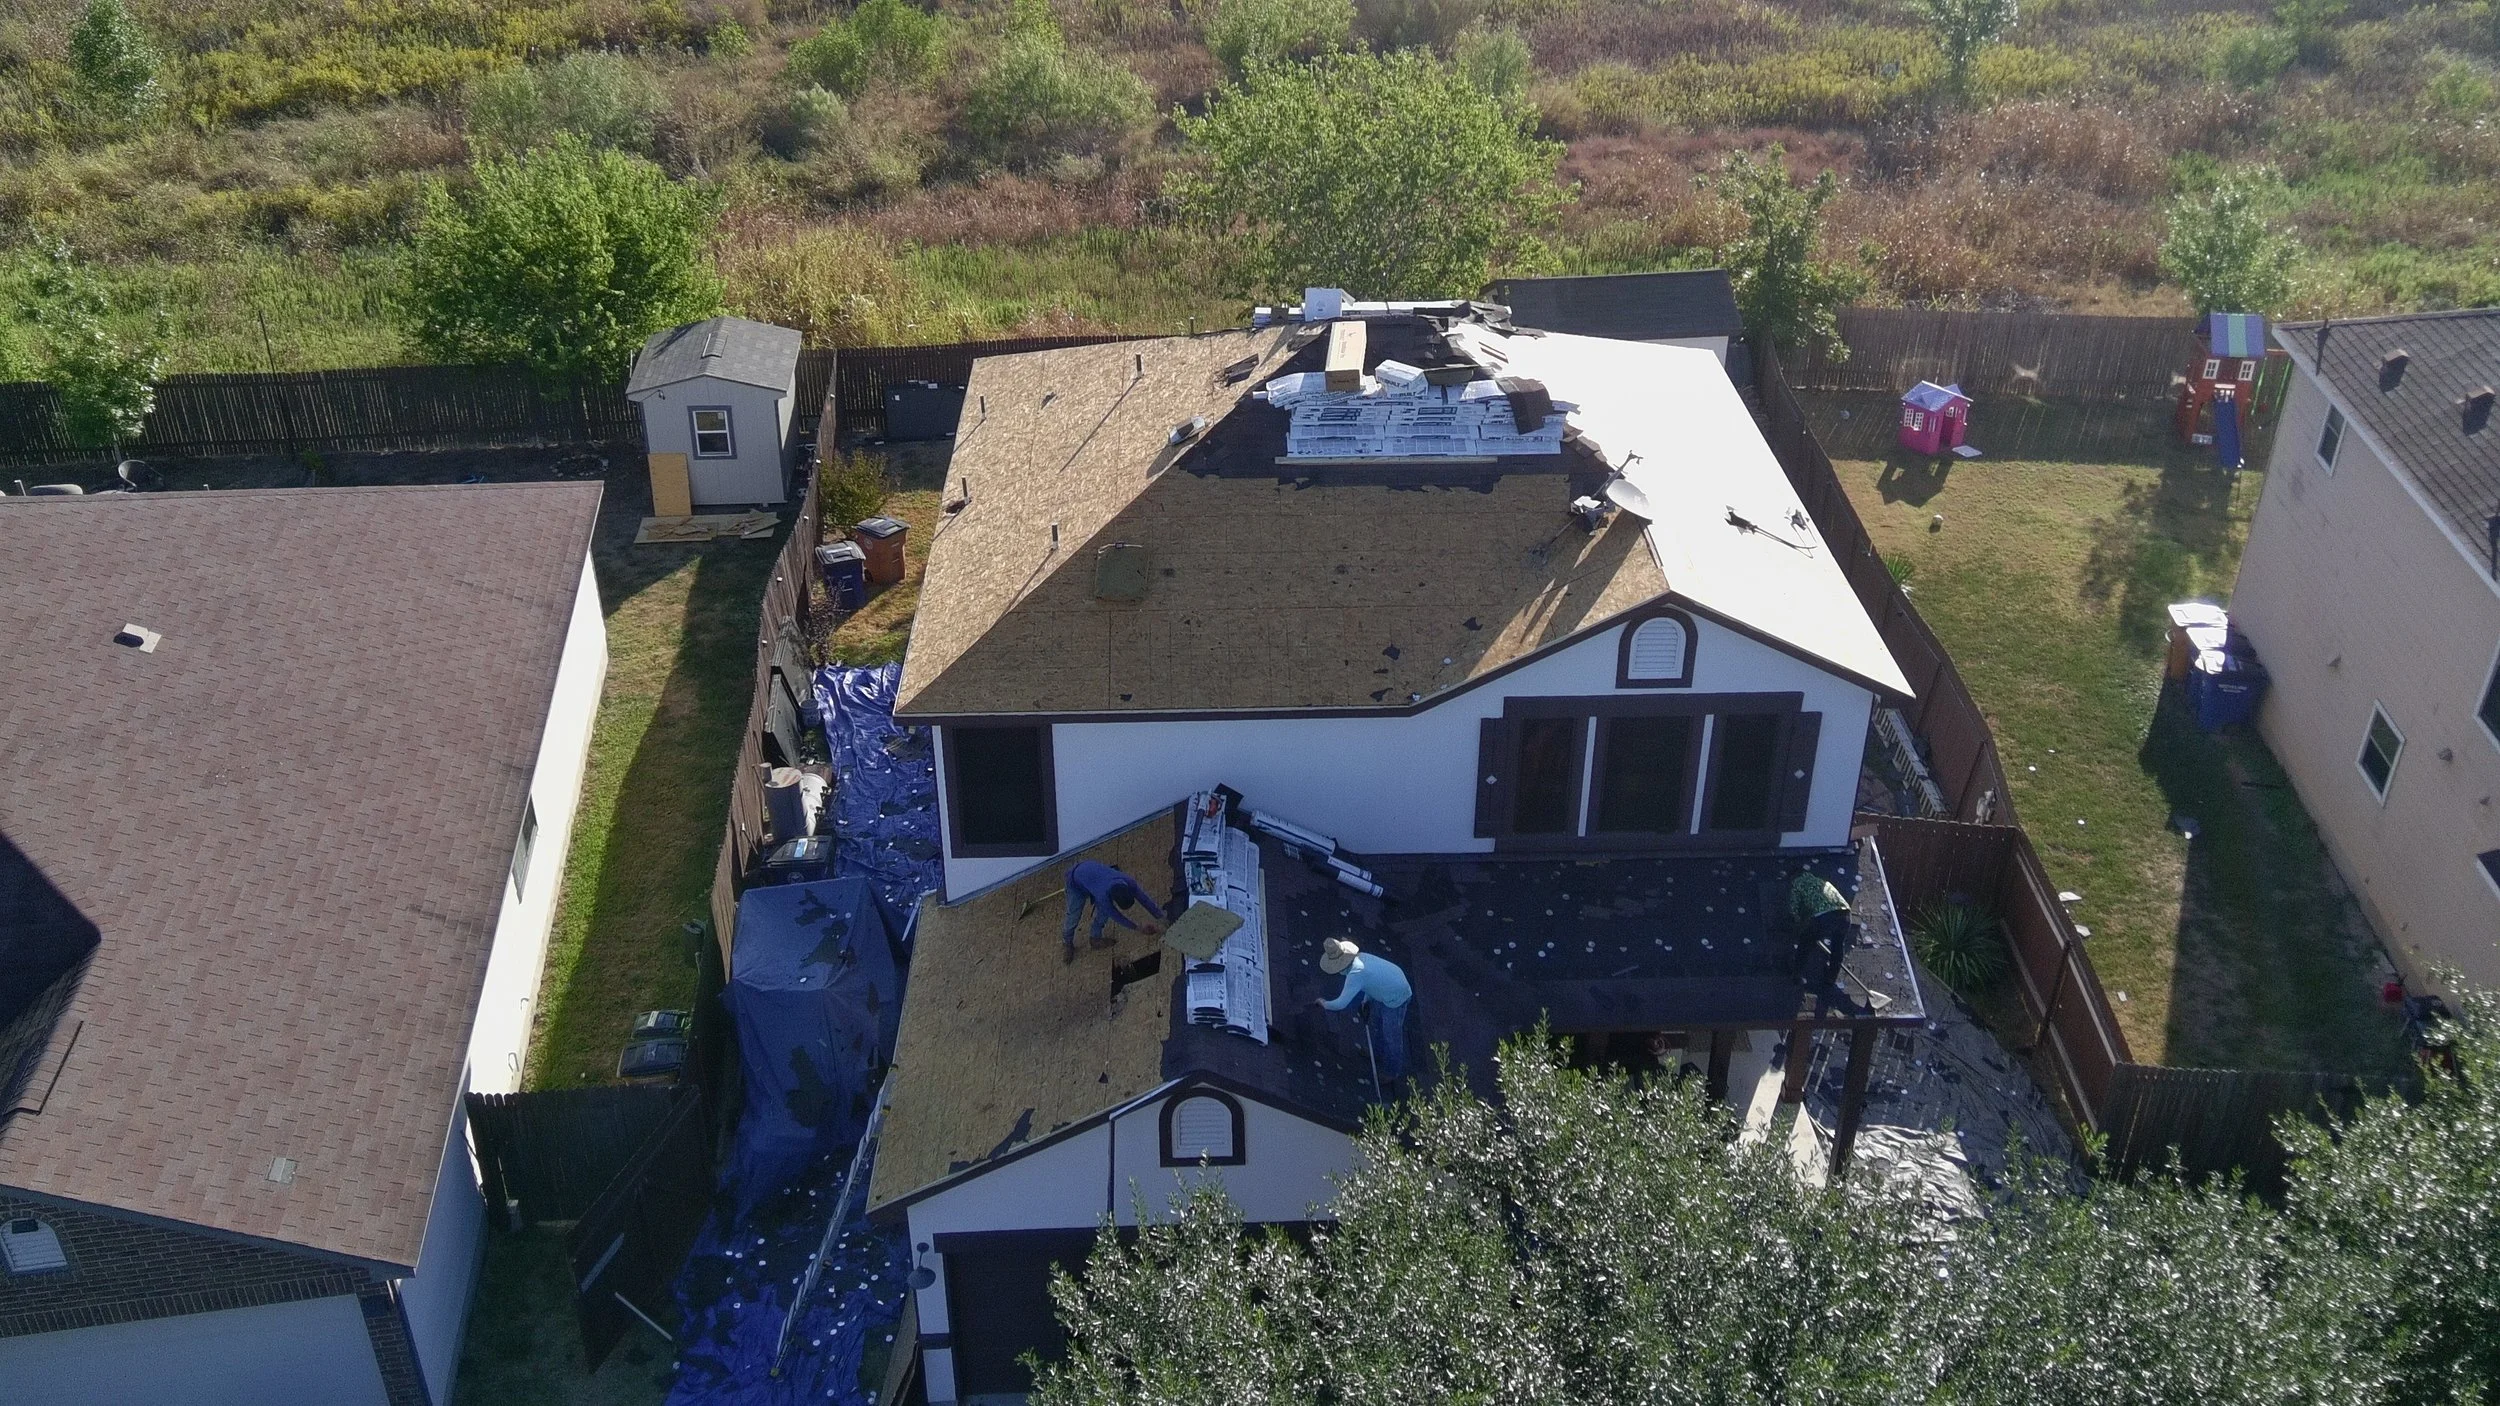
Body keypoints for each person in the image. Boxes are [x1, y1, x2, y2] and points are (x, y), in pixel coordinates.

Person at [1317, 938, 1412, 1086]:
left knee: (1391, 1036)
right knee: (1377, 1022)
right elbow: (1372, 982)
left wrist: (1324, 1004)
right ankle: (1377, 1052)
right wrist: (1365, 1000)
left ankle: (1392, 1072)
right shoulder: (1362, 958)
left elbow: (1341, 1003)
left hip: (1396, 997)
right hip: (1387, 988)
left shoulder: (1355, 974)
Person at [1060, 860, 1166, 961]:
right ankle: (1067, 942)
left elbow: (1144, 899)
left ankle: (1094, 939)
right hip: (1075, 882)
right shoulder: (1103, 896)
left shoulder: (1128, 881)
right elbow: (1116, 915)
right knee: (1073, 916)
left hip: (1091, 874)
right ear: (1112, 897)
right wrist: (1138, 928)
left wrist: (1160, 916)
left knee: (1103, 913)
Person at [1790, 869, 1851, 989]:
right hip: (1845, 914)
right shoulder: (1823, 882)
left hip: (1824, 917)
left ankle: (1796, 973)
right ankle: (1831, 978)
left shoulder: (1797, 884)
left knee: (1805, 943)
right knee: (1837, 946)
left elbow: (1794, 908)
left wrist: (1797, 925)